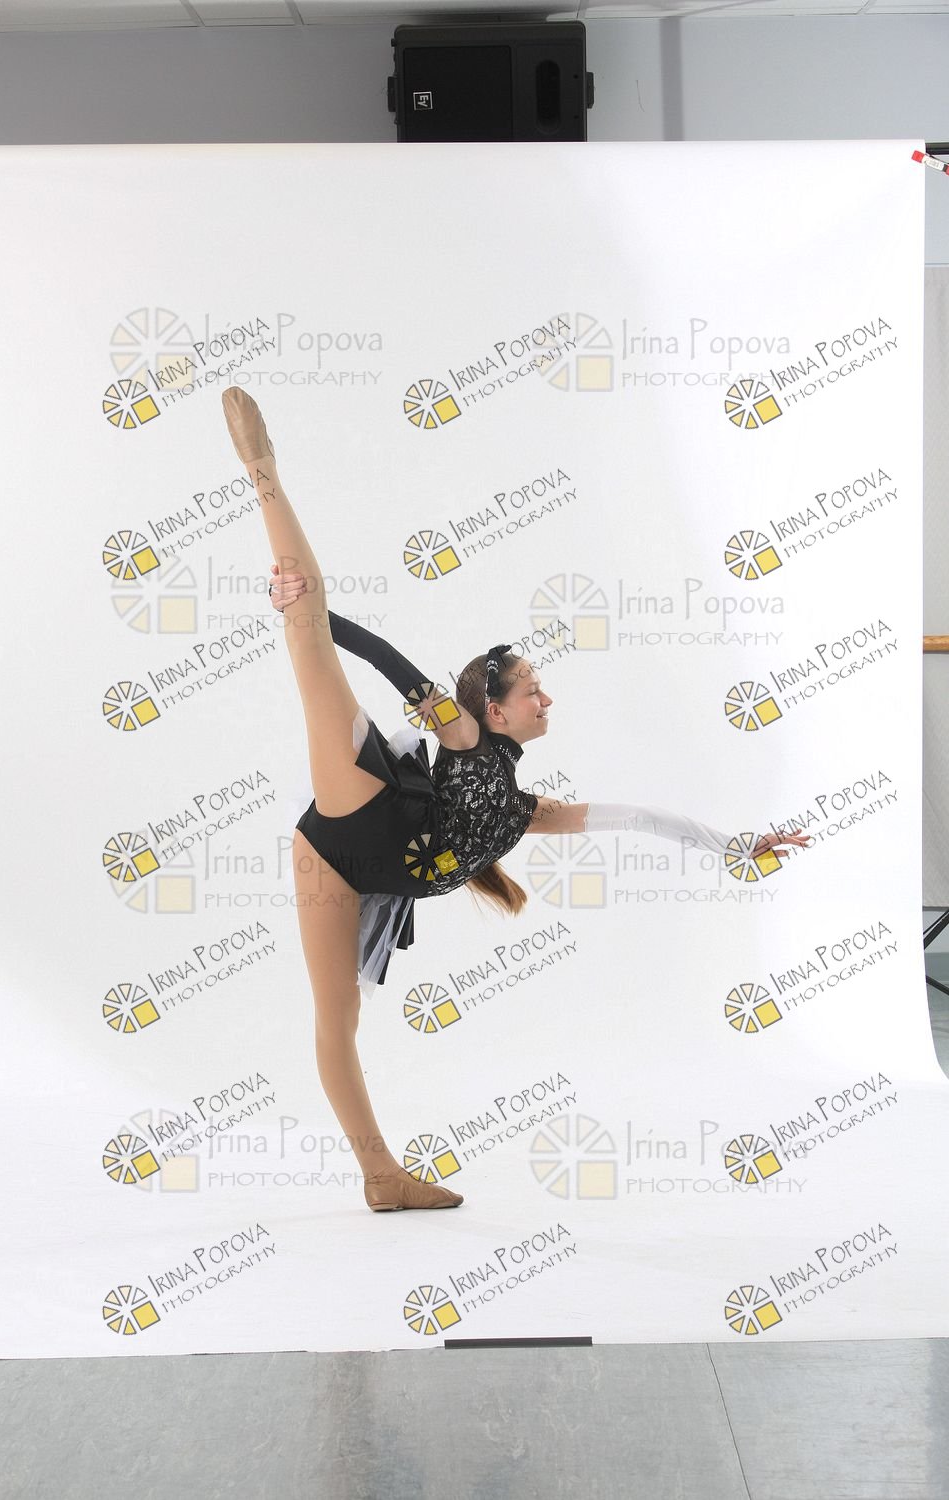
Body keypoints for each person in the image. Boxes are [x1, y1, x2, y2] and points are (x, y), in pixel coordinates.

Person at [222, 387, 810, 1214]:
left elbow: (640, 819)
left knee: (342, 1016)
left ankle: (381, 1178)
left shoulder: (524, 811)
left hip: (364, 866)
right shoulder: (463, 736)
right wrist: (321, 615)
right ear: (493, 711)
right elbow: (390, 661)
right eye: (533, 688)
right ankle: (262, 471)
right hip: (358, 815)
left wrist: (738, 849)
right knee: (308, 640)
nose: (546, 698)